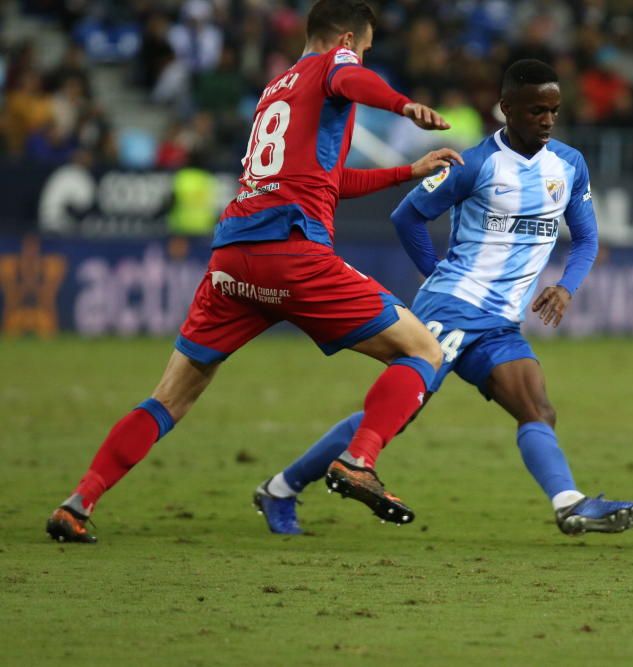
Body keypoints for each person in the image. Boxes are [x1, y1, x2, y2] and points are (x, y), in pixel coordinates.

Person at [46, 0, 462, 543]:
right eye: (362, 47)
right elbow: (352, 78)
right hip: (292, 254)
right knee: (424, 350)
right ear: (343, 40)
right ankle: (359, 460)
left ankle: (79, 502)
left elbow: (329, 183)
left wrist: (409, 170)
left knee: (170, 397)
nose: (361, 57)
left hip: (233, 261)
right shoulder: (334, 66)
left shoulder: (275, 90)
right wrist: (405, 106)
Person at [254, 59, 633, 536]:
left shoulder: (568, 165)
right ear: (506, 109)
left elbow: (585, 238)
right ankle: (283, 488)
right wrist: (439, 277)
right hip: (453, 306)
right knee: (395, 415)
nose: (546, 120)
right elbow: (408, 216)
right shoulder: (475, 163)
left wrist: (565, 287)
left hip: (500, 322)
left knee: (537, 408)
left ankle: (570, 504)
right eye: (535, 110)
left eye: (554, 110)